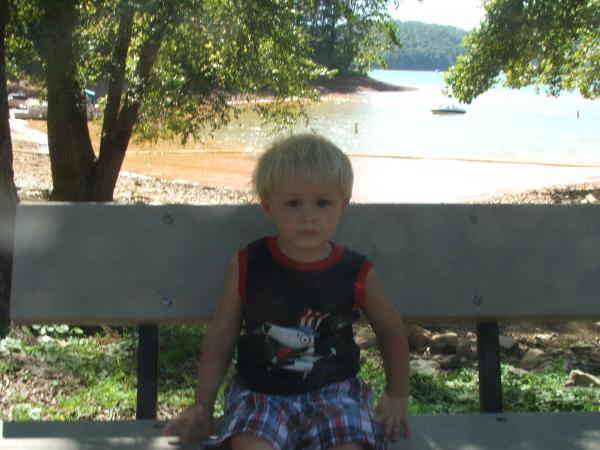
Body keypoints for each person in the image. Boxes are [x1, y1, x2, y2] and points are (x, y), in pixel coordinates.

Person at [164, 133, 411, 449]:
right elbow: (221, 335)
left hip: (336, 395)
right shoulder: (248, 264)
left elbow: (390, 330)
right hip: (262, 395)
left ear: (343, 206)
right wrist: (203, 403)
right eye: (293, 203)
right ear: (268, 205)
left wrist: (397, 396)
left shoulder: (356, 271)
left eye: (323, 203)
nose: (308, 215)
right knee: (249, 445)